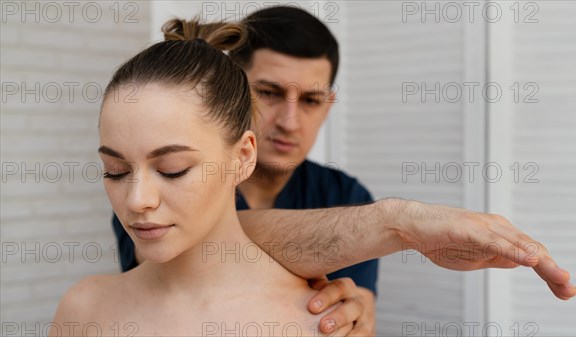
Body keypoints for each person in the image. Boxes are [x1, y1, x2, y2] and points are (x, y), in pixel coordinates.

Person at [110, 6, 576, 335]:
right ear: (234, 91)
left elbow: (358, 319)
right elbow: (190, 258)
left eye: (310, 100)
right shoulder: (154, 190)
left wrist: (353, 311)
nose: (289, 121)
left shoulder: (346, 193)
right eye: (269, 93)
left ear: (329, 104)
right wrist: (393, 224)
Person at [51, 20, 355, 337]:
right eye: (117, 171)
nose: (137, 200)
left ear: (242, 157)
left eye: (173, 169)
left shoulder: (317, 323)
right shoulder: (82, 310)